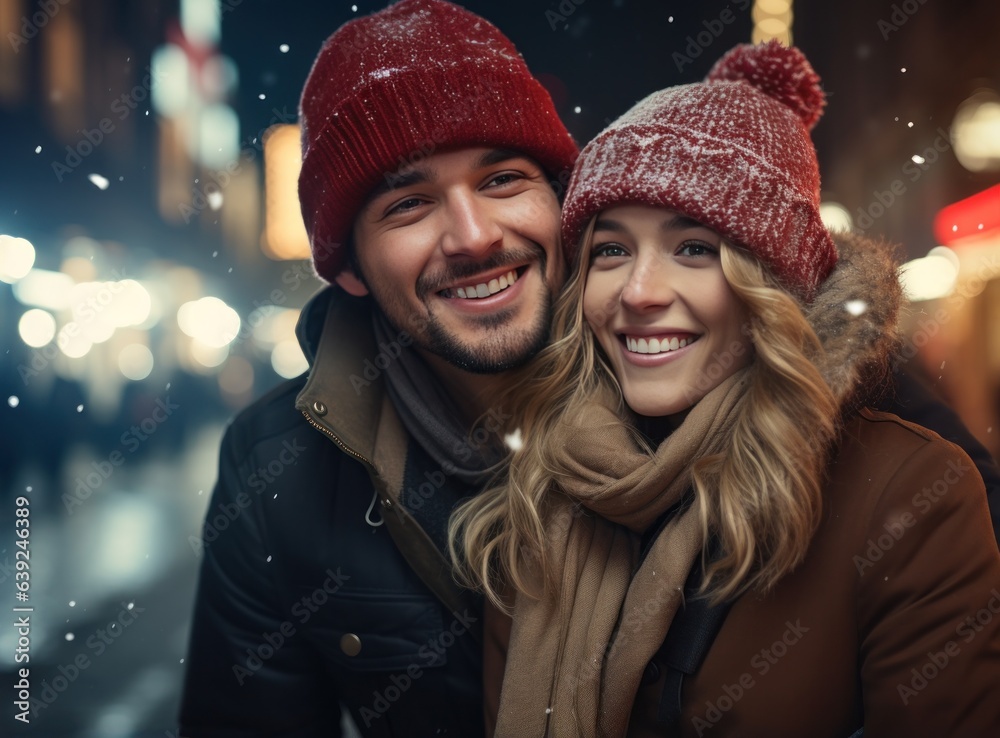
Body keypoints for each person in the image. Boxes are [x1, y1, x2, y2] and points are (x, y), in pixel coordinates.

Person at [452, 41, 1000, 737]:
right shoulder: (540, 491)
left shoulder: (910, 493)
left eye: (695, 250)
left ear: (773, 289)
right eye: (612, 250)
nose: (641, 293)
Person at [178, 1, 577, 735]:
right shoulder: (276, 471)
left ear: (561, 204)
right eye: (410, 204)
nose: (473, 236)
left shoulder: (687, 389)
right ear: (352, 269)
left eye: (502, 181)